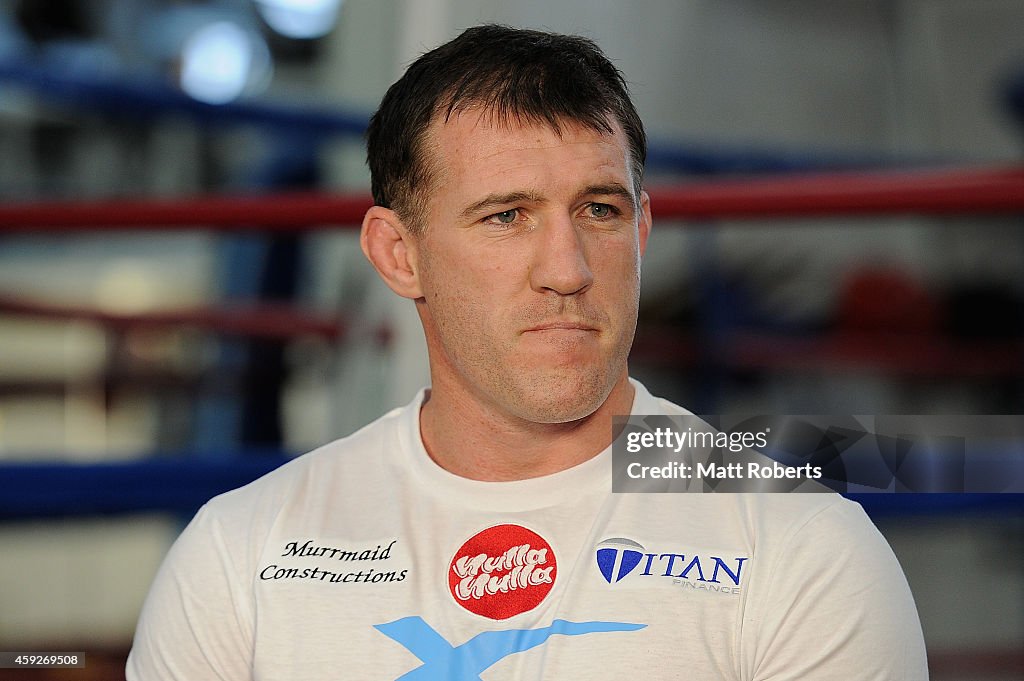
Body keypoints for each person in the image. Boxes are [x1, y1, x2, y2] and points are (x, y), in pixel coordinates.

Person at [127, 25, 928, 680]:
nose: (568, 270)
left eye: (601, 210)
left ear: (641, 232)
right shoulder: (242, 557)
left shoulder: (803, 550)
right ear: (399, 255)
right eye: (507, 216)